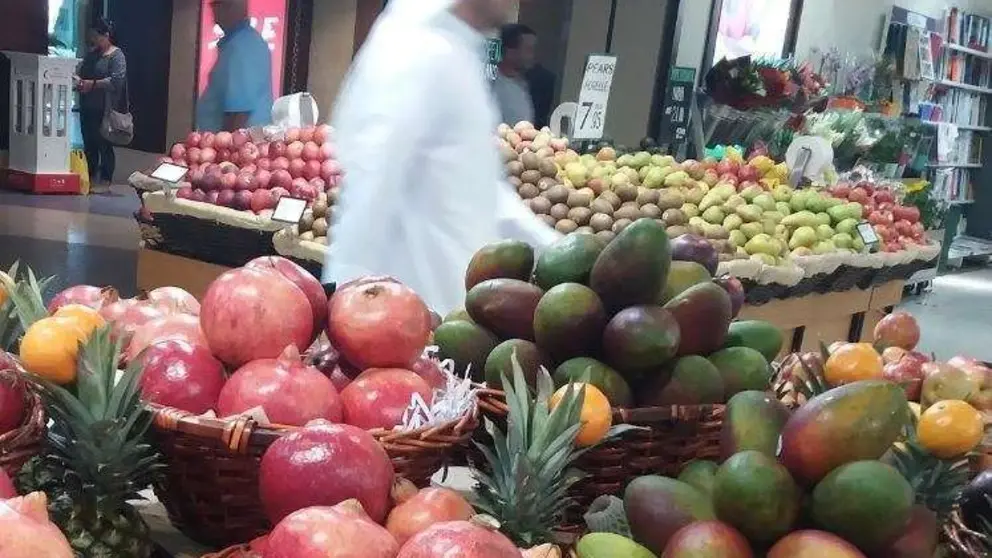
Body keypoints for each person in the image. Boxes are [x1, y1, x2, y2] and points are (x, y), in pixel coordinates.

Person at [324, 0, 559, 315]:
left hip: (449, 311)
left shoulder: (455, 50)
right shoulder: (418, 49)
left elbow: (484, 192)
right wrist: (342, 308)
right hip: (405, 314)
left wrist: (557, 250)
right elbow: (370, 187)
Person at [195, 0, 273, 132]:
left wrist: (224, 149)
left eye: (216, 4)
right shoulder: (241, 41)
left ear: (231, 6)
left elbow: (239, 112)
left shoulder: (242, 46)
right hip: (234, 142)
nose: (213, 11)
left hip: (237, 145)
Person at [76, 18, 126, 192]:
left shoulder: (117, 55)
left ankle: (105, 179)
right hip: (88, 104)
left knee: (104, 142)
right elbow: (82, 71)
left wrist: (94, 84)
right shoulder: (92, 54)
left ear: (106, 35)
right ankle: (89, 176)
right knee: (89, 143)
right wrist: (80, 82)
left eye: (97, 36)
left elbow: (116, 81)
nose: (95, 40)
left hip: (105, 108)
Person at [493, 23, 536, 126]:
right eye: (528, 50)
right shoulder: (495, 88)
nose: (533, 55)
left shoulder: (523, 84)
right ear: (510, 52)